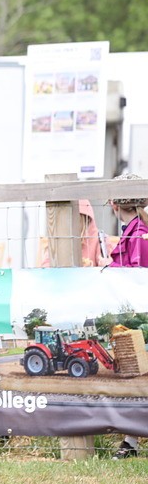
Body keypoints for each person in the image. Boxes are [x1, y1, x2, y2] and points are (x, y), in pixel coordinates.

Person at [106, 172, 148, 458]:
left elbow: (138, 278)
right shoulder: (133, 231)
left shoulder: (140, 234)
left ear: (113, 203)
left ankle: (131, 442)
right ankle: (130, 441)